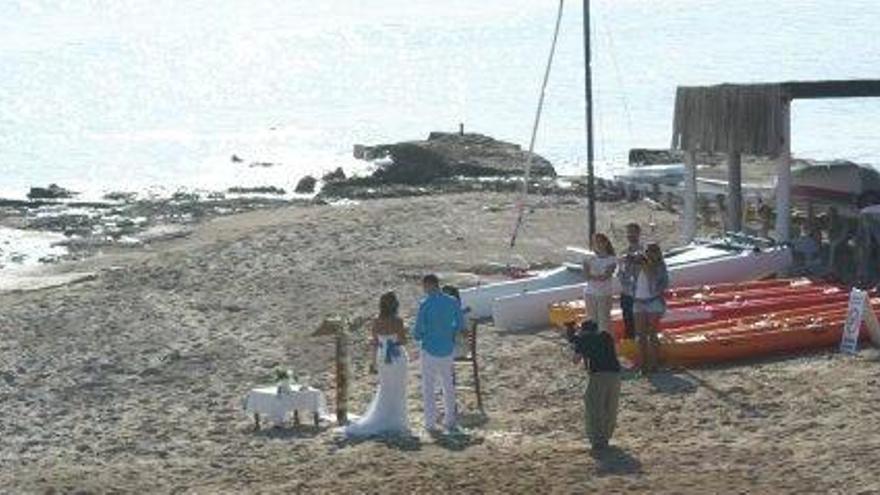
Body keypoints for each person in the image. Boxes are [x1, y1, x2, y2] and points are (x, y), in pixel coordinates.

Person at [343, 291, 410, 437]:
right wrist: (403, 333)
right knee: (398, 388)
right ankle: (397, 419)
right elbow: (403, 341)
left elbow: (374, 343)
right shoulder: (397, 321)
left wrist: (372, 362)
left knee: (385, 387)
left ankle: (384, 416)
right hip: (396, 356)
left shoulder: (376, 321)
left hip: (382, 356)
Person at [413, 274, 464, 433]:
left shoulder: (425, 304)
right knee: (447, 385)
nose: (424, 290)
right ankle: (450, 420)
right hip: (447, 348)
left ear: (430, 285)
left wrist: (421, 336)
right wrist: (450, 334)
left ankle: (430, 422)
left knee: (428, 386)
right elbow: (460, 324)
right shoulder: (452, 301)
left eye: (424, 286)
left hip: (429, 348)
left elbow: (417, 331)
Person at [566, 319, 621, 452]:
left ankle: (597, 440)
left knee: (594, 408)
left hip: (598, 375)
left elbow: (575, 360)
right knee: (610, 407)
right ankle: (606, 437)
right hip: (615, 374)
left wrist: (575, 344)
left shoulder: (583, 339)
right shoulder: (606, 336)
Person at [632, 243, 669, 373]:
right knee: (640, 335)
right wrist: (631, 260)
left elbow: (656, 282)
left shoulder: (660, 267)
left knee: (652, 334)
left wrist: (645, 265)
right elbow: (626, 275)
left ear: (658, 253)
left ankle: (654, 364)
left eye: (653, 251)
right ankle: (643, 364)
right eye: (648, 251)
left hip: (654, 302)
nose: (650, 253)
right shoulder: (638, 265)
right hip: (638, 301)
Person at [583, 233, 617, 335]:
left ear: (606, 243)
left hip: (604, 294)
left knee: (604, 322)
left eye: (600, 242)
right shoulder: (590, 258)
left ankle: (606, 345)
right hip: (590, 292)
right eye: (595, 242)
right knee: (592, 321)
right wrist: (586, 268)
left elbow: (605, 277)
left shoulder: (611, 259)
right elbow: (586, 276)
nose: (597, 245)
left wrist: (591, 275)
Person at [617, 223, 643, 339]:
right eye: (628, 233)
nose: (630, 235)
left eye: (633, 232)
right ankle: (630, 346)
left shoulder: (645, 251)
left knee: (640, 324)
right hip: (627, 293)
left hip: (641, 294)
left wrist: (635, 260)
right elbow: (620, 273)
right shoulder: (623, 252)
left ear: (638, 233)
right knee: (628, 323)